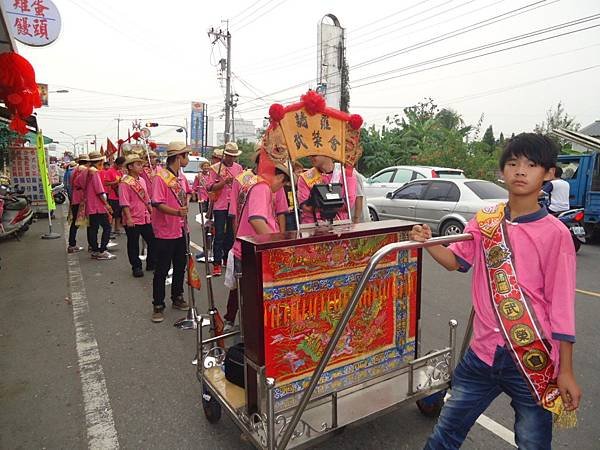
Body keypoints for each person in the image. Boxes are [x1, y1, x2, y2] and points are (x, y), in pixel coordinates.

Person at [410, 133, 581, 450]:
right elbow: (457, 262)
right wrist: (428, 243)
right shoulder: (485, 221)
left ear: (549, 174)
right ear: (502, 171)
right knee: (445, 433)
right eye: (513, 163)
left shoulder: (556, 234)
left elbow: (562, 308)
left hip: (533, 357)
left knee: (533, 443)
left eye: (531, 165)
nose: (520, 171)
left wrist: (566, 370)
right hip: (482, 355)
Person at [223, 162, 291, 330]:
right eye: (283, 184)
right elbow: (257, 220)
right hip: (253, 249)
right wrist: (275, 246)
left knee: (246, 295)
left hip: (245, 246)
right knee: (252, 298)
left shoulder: (252, 183)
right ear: (280, 177)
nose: (280, 189)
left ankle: (245, 330)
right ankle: (249, 337)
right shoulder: (262, 187)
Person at [150, 141, 192, 323]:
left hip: (181, 229)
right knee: (162, 269)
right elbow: (157, 203)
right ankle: (158, 305)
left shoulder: (181, 177)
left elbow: (189, 192)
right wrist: (176, 212)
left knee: (180, 265)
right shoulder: (161, 177)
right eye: (186, 155)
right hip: (165, 230)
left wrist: (187, 201)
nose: (188, 159)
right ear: (178, 157)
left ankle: (177, 296)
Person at [207, 142, 243, 276]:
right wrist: (224, 182)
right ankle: (216, 263)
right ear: (224, 155)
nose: (231, 159)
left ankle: (226, 258)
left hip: (233, 204)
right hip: (220, 205)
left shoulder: (239, 168)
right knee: (219, 234)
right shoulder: (215, 168)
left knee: (231, 235)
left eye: (233, 156)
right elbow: (210, 187)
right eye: (229, 156)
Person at [119, 154, 155, 278]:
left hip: (145, 216)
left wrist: (150, 210)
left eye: (141, 164)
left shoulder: (142, 180)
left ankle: (151, 263)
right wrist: (128, 218)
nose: (141, 167)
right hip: (133, 217)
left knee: (152, 240)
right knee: (133, 243)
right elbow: (124, 202)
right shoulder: (125, 182)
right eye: (138, 164)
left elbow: (147, 197)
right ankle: (136, 266)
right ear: (130, 167)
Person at [297, 154, 357, 224]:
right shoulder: (305, 177)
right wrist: (333, 205)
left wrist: (320, 205)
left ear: (327, 153)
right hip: (312, 226)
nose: (310, 158)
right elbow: (305, 206)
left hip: (339, 225)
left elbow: (348, 204)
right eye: (308, 155)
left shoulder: (346, 174)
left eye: (314, 155)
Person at [85, 152, 116, 260]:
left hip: (90, 204)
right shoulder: (95, 172)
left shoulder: (87, 171)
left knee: (93, 228)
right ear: (100, 162)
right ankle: (102, 250)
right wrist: (107, 204)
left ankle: (94, 250)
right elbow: (99, 191)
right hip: (97, 205)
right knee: (107, 227)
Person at [67, 155, 89, 253]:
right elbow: (85, 184)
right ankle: (72, 244)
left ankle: (72, 244)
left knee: (75, 223)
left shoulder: (74, 170)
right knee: (85, 223)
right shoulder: (84, 170)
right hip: (81, 198)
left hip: (75, 197)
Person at [103, 156, 126, 236]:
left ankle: (117, 229)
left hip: (119, 195)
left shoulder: (119, 171)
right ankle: (110, 230)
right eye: (120, 165)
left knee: (118, 214)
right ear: (116, 164)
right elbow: (105, 183)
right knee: (112, 214)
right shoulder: (110, 171)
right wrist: (115, 182)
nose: (121, 167)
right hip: (112, 195)